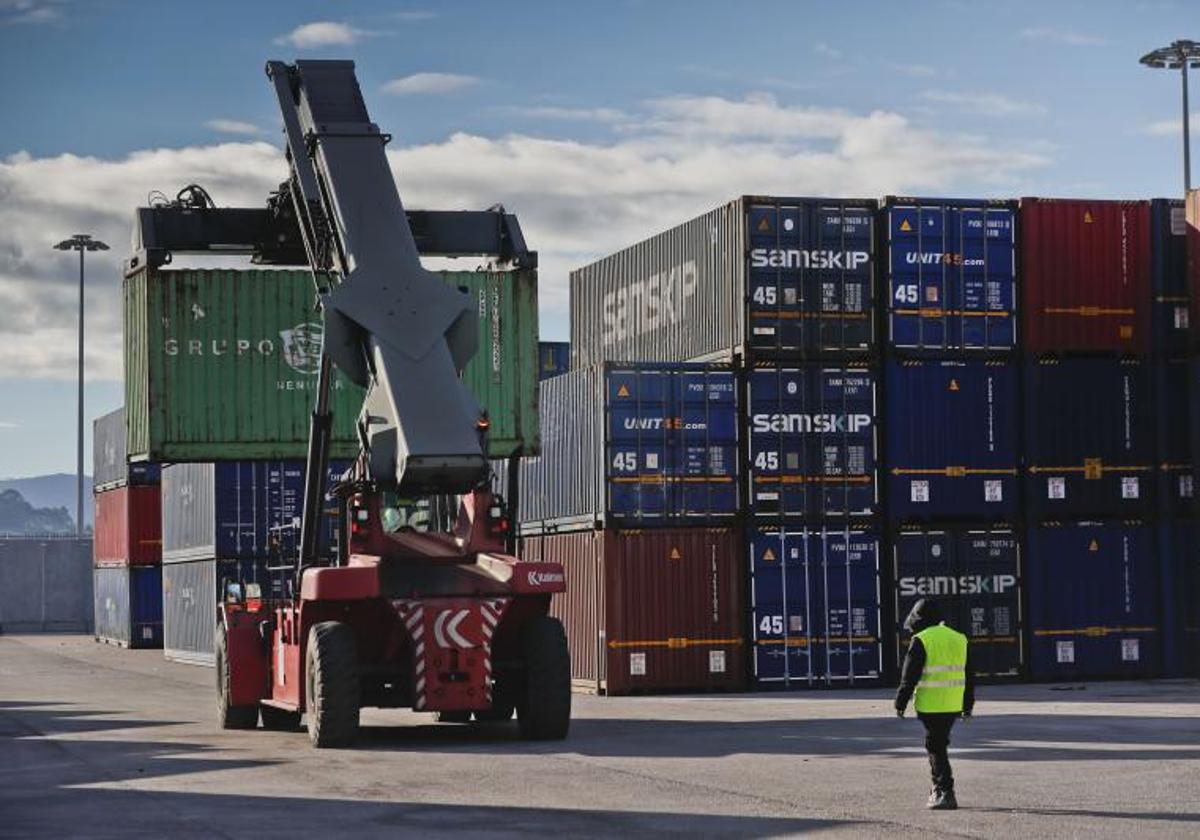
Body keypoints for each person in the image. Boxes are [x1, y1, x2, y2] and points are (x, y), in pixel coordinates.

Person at [894, 598, 974, 811]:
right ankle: (940, 789)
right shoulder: (959, 638)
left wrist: (900, 702)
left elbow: (909, 675)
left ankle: (944, 791)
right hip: (953, 703)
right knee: (938, 743)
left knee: (935, 746)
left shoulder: (921, 639)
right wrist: (968, 706)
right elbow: (969, 675)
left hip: (931, 704)